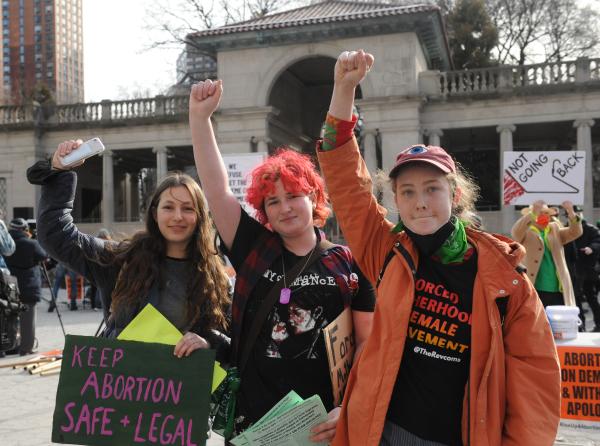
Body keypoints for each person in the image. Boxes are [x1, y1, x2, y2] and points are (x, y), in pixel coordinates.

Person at [316, 50, 560, 445]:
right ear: (396, 199)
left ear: (455, 193)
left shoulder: (504, 278)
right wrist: (344, 89)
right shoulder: (388, 250)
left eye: (432, 189)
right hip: (382, 431)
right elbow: (347, 183)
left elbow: (535, 379)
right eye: (407, 192)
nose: (421, 202)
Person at [188, 79, 376, 442]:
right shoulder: (253, 248)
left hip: (323, 424)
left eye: (293, 196)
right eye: (272, 201)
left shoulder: (348, 263)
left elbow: (367, 344)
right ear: (264, 211)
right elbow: (217, 189)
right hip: (255, 422)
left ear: (314, 198)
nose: (284, 208)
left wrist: (351, 404)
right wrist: (200, 119)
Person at [26, 141, 232, 360]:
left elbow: (235, 341)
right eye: (169, 207)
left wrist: (210, 342)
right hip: (125, 387)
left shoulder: (216, 279)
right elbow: (55, 235)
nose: (178, 216)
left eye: (188, 208)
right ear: (155, 214)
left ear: (200, 216)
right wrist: (60, 171)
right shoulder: (120, 260)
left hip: (183, 390)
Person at [511, 200, 582, 307]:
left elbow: (575, 232)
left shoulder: (555, 228)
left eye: (546, 213)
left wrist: (570, 211)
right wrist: (534, 211)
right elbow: (515, 232)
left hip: (558, 289)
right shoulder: (526, 231)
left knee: (558, 323)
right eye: (541, 213)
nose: (544, 216)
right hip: (535, 287)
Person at [5, 218, 48, 356]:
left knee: (9, 318)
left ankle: (9, 345)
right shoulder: (31, 244)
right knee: (28, 320)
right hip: (28, 286)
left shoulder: (5, 244)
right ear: (24, 229)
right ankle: (26, 348)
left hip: (8, 285)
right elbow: (44, 256)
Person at [573, 216, 600, 331]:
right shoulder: (566, 228)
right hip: (574, 271)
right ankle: (580, 326)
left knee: (591, 298)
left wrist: (591, 248)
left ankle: (599, 324)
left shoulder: (591, 229)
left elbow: (598, 241)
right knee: (576, 299)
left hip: (588, 271)